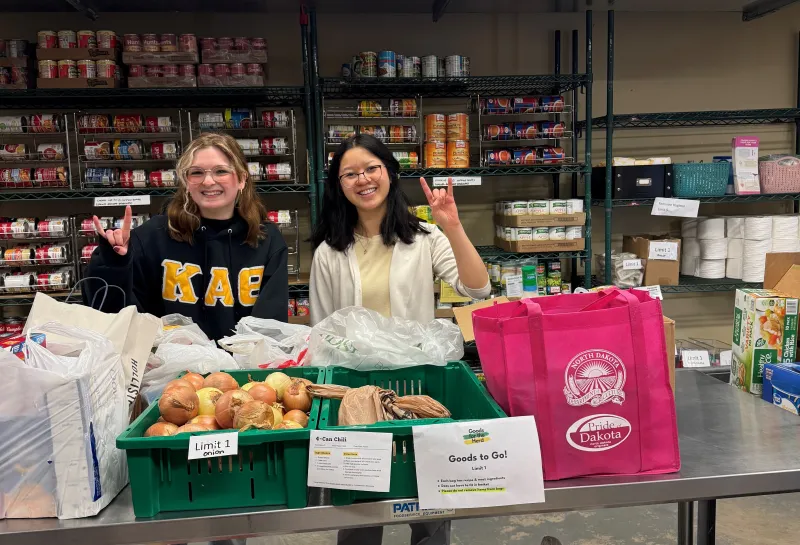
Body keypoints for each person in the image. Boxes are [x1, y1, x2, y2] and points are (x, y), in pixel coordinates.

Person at [310, 134, 490, 545]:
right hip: (356, 391)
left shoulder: (424, 238)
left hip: (419, 385)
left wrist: (454, 227)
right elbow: (322, 330)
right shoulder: (329, 252)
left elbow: (476, 289)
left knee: (429, 501)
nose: (363, 180)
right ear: (339, 186)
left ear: (389, 172)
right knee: (359, 507)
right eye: (349, 174)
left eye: (371, 168)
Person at [84, 131, 289, 338]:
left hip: (242, 369)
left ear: (242, 179)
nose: (208, 181)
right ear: (186, 181)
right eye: (197, 173)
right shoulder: (152, 236)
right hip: (172, 368)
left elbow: (270, 329)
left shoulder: (266, 240)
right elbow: (113, 313)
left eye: (221, 171)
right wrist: (113, 264)